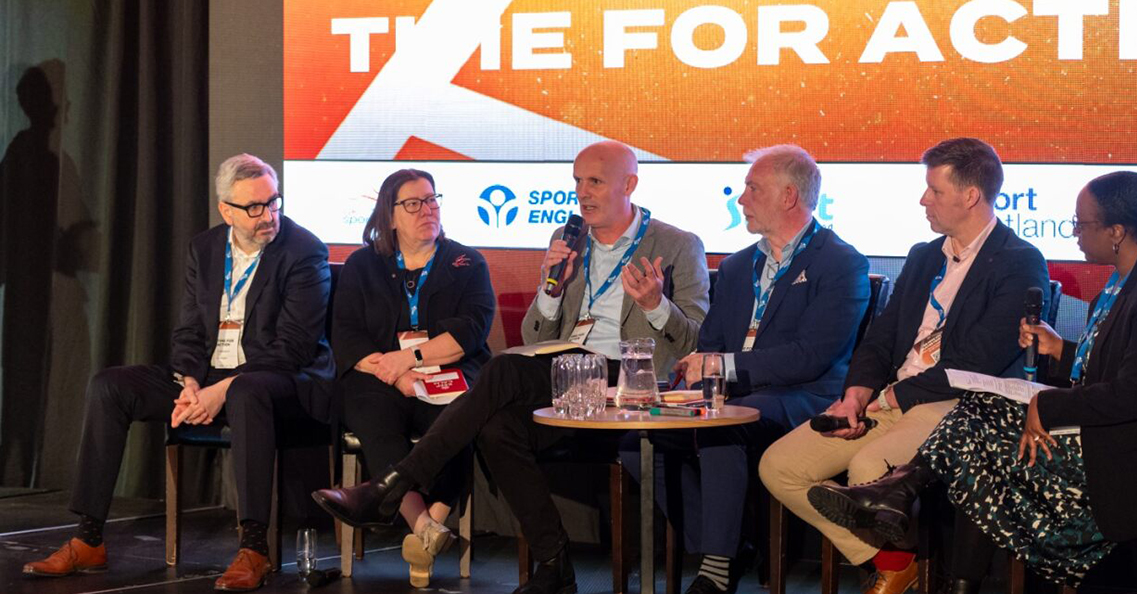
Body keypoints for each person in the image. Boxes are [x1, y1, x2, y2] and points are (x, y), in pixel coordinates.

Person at [312, 140, 710, 594]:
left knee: (498, 370)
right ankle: (554, 564)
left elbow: (696, 341)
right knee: (497, 428)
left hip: (628, 377)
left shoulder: (677, 244)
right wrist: (551, 289)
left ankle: (389, 488)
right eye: (577, 182)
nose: (583, 192)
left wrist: (656, 305)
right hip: (567, 373)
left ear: (630, 184)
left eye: (595, 182)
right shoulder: (568, 242)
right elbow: (537, 340)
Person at [808, 171, 1137, 593]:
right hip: (1114, 434)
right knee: (979, 413)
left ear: (1116, 231)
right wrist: (1060, 350)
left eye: (1082, 224)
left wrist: (1048, 406)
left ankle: (906, 500)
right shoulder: (1123, 283)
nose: (1074, 233)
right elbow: (1112, 369)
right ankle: (906, 500)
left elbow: (1134, 395)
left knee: (980, 453)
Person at [22, 154, 334, 592]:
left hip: (281, 383)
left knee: (246, 392)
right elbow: (188, 330)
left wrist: (223, 389)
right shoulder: (204, 249)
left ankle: (254, 548)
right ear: (226, 209)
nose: (269, 215)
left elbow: (293, 348)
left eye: (274, 202)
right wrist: (189, 381)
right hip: (209, 378)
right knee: (110, 386)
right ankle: (89, 538)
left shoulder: (304, 250)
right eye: (255, 207)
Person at [759, 138, 1049, 594]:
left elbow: (978, 360)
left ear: (970, 196)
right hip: (891, 396)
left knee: (868, 466)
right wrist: (858, 392)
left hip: (959, 405)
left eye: (934, 190)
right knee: (780, 466)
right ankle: (893, 562)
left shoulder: (1018, 261)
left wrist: (891, 396)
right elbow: (880, 338)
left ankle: (892, 577)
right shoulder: (922, 256)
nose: (923, 200)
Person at [620, 144, 871, 594]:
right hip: (732, 393)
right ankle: (730, 545)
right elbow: (711, 343)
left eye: (753, 189)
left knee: (723, 426)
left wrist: (721, 366)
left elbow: (810, 356)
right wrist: (701, 368)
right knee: (635, 437)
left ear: (789, 197)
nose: (741, 200)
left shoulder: (840, 262)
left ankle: (715, 569)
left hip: (805, 396)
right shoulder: (737, 266)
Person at [332, 168, 494, 587]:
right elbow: (347, 335)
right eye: (413, 203)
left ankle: (429, 526)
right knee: (370, 409)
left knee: (462, 413)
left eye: (432, 199)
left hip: (449, 370)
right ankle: (424, 524)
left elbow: (470, 332)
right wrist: (393, 371)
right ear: (390, 216)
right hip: (380, 379)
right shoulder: (362, 264)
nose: (427, 210)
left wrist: (412, 360)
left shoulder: (466, 262)